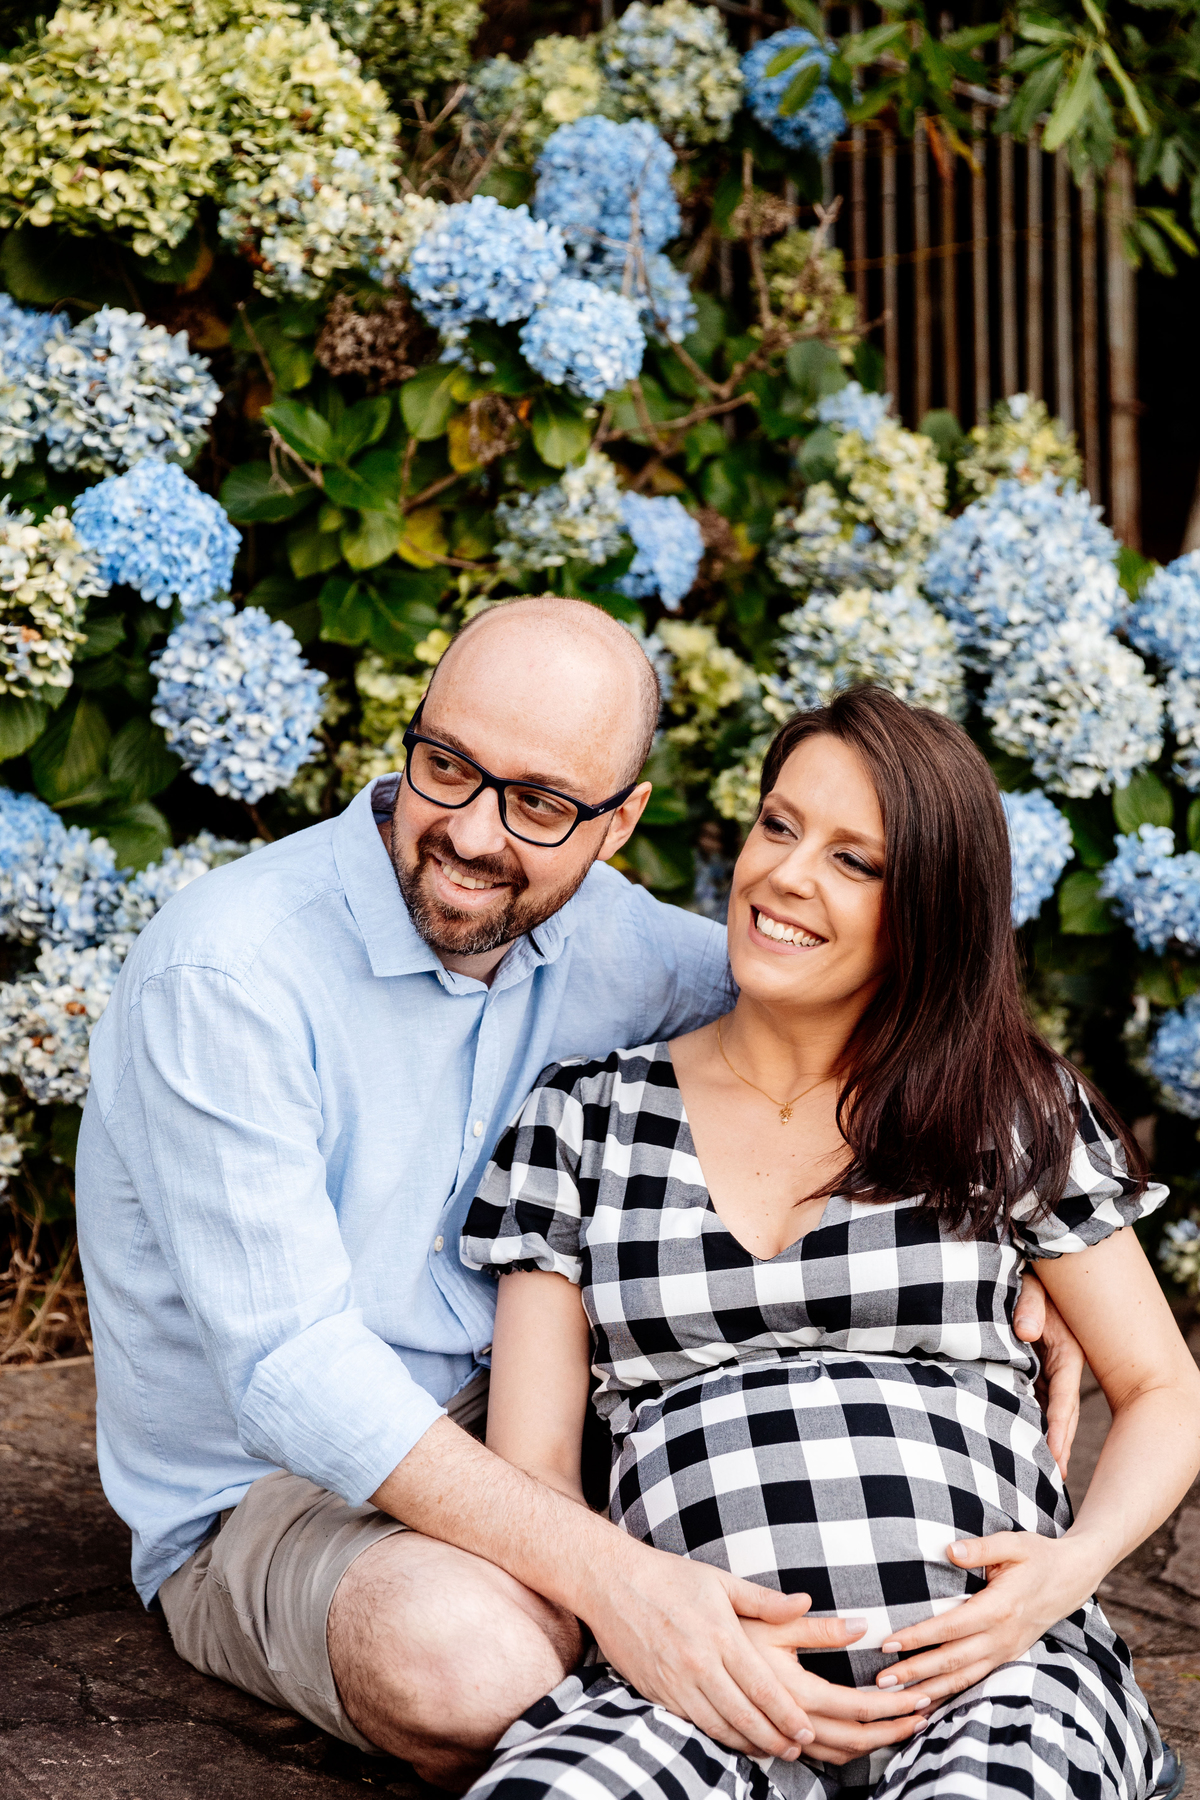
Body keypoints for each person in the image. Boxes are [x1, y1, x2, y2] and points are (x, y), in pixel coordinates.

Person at [76, 602, 1084, 1787]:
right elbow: (295, 1375)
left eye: (540, 803)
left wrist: (1043, 1228)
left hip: (550, 1430)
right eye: (444, 764)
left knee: (814, 1540)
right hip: (282, 1493)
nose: (464, 831)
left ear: (618, 825)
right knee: (473, 1663)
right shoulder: (228, 971)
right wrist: (618, 1581)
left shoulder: (619, 946)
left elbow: (875, 997)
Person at [460, 686, 1200, 1800]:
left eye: (858, 862)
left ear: (931, 913)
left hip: (992, 1672)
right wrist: (662, 1630)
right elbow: (534, 1475)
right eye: (779, 825)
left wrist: (1065, 1576)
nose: (788, 877)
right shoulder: (585, 1118)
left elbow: (1163, 1387)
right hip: (701, 1689)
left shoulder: (1006, 1109)